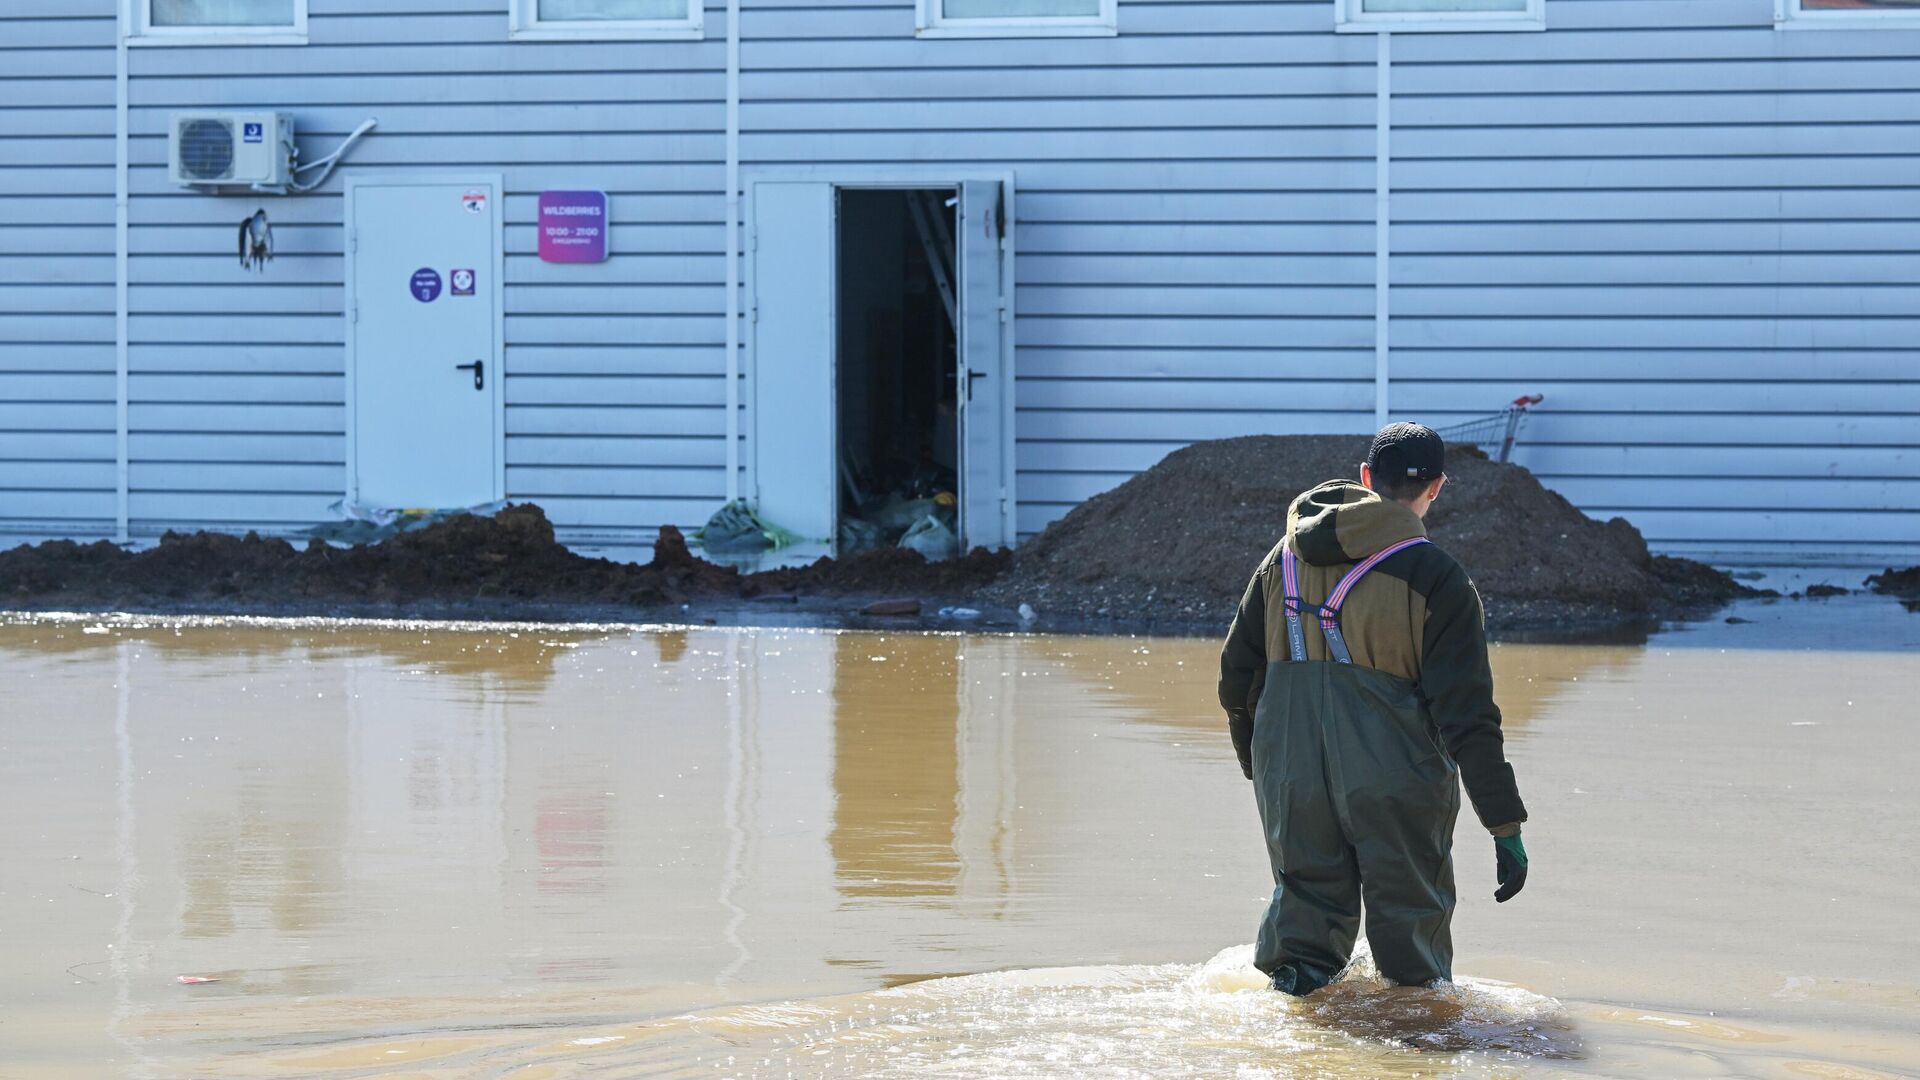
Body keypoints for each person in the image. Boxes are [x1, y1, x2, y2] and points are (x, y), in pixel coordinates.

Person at [1217, 422, 1529, 996]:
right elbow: (1467, 718)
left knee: (1300, 955)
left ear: (1365, 478)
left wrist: (1263, 768)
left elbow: (1236, 676)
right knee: (1414, 963)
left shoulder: (1281, 559)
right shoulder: (1437, 578)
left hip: (1291, 776)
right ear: (1437, 487)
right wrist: (1504, 824)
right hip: (1397, 785)